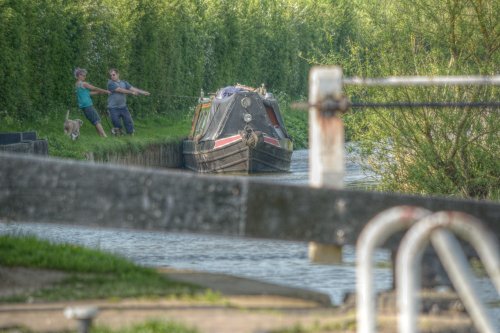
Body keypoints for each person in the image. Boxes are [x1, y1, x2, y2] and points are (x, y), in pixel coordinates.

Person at [107, 68, 150, 135]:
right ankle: (118, 134)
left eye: (113, 75)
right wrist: (131, 92)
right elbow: (120, 90)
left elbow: (133, 88)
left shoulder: (124, 83)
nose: (112, 76)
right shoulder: (110, 83)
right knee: (116, 123)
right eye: (111, 75)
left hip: (123, 107)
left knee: (128, 121)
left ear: (118, 74)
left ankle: (130, 134)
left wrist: (143, 92)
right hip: (113, 108)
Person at [74, 68, 110, 137]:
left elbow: (88, 93)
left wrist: (99, 92)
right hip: (87, 105)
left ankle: (101, 137)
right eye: (83, 75)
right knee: (97, 120)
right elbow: (94, 88)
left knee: (95, 120)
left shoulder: (77, 84)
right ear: (79, 76)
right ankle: (105, 136)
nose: (85, 77)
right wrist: (106, 91)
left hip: (84, 106)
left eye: (85, 75)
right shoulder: (83, 84)